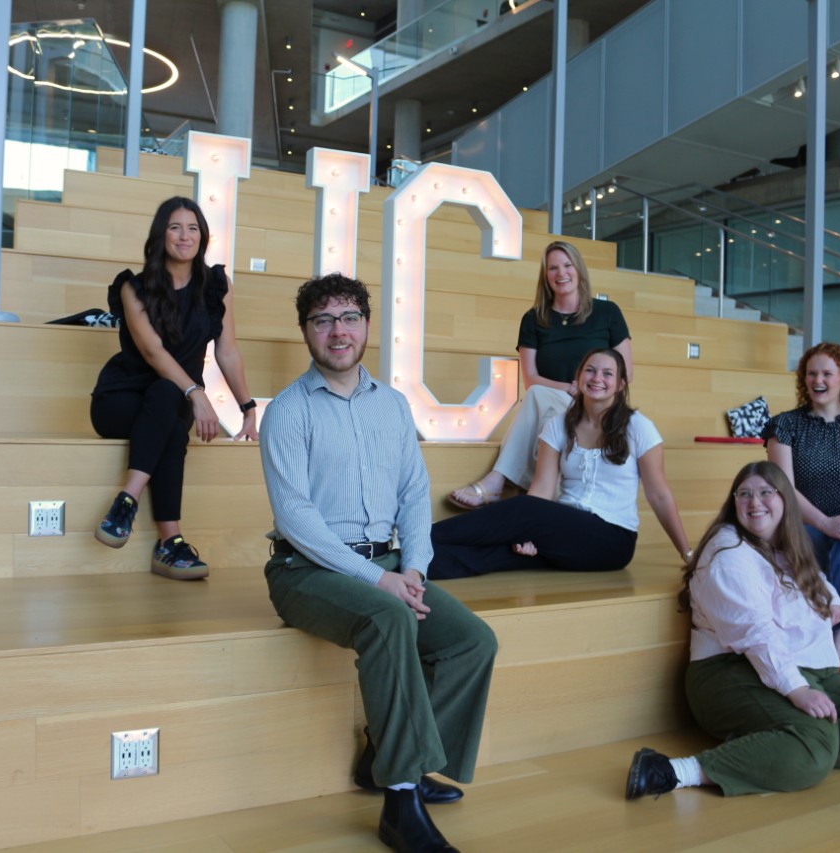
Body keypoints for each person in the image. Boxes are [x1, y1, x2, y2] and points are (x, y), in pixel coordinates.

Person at [259, 272, 498, 853]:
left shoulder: (392, 405)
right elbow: (296, 518)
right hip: (304, 572)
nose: (338, 331)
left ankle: (389, 757)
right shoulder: (288, 411)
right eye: (323, 320)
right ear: (306, 332)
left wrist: (413, 570)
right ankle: (400, 800)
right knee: (388, 618)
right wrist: (379, 579)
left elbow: (414, 493)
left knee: (471, 642)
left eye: (349, 318)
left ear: (366, 326)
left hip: (390, 564)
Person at [626, 461, 840, 800]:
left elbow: (819, 583)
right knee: (815, 746)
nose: (755, 502)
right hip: (730, 672)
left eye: (766, 492)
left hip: (804, 667)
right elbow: (756, 634)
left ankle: (776, 745)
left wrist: (833, 600)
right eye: (744, 494)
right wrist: (797, 690)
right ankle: (674, 771)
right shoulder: (728, 551)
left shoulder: (788, 546)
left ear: (785, 500)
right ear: (734, 502)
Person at [90, 196, 257, 581]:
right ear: (160, 235)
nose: (185, 236)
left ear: (203, 236)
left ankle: (129, 509)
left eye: (193, 228)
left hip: (173, 400)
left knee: (169, 410)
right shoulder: (134, 287)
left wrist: (247, 407)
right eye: (175, 227)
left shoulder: (216, 285)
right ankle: (163, 536)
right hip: (121, 398)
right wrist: (196, 393)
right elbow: (152, 351)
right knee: (169, 403)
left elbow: (227, 351)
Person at [429, 348, 691, 578]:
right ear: (579, 377)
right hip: (563, 529)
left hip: (612, 540)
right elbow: (542, 490)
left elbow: (659, 496)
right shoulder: (558, 426)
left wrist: (687, 552)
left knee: (523, 509)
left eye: (608, 374)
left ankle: (421, 537)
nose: (597, 378)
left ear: (621, 384)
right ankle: (414, 564)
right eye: (590, 370)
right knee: (500, 554)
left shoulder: (639, 427)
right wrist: (527, 534)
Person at [448, 241, 632, 509]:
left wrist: (586, 389)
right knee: (545, 411)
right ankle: (543, 506)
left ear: (579, 269)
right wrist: (569, 388)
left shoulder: (608, 313)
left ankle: (498, 481)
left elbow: (626, 373)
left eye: (567, 265)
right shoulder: (533, 319)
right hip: (556, 402)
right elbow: (531, 378)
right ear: (545, 276)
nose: (561, 273)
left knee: (541, 407)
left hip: (597, 405)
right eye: (553, 268)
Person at [763, 342, 840, 682]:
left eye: (826, 374)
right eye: (811, 373)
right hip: (799, 529)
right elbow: (784, 489)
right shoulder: (785, 426)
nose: (817, 380)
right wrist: (824, 522)